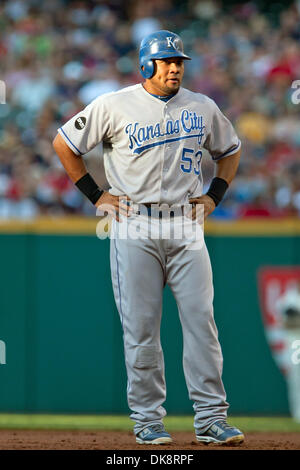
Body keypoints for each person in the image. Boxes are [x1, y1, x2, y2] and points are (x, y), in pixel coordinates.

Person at [53, 30, 244, 446]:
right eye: (167, 61)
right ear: (146, 64)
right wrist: (96, 195)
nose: (175, 67)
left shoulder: (202, 106)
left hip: (186, 226)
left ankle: (211, 417)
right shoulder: (113, 104)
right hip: (134, 223)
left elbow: (229, 150)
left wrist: (215, 195)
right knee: (141, 330)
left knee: (202, 324)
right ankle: (147, 420)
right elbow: (64, 143)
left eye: (179, 61)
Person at [276, 280, 300, 423]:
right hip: (295, 343)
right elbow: (287, 322)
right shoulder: (289, 299)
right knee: (296, 379)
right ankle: (298, 414)